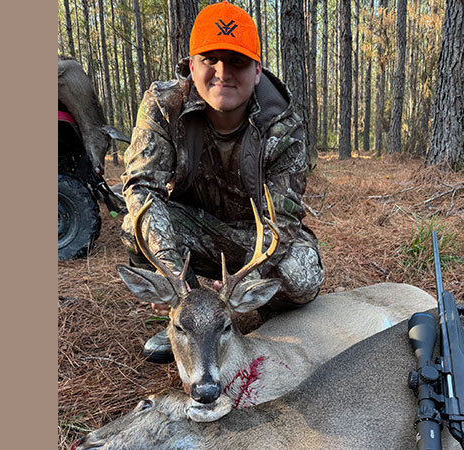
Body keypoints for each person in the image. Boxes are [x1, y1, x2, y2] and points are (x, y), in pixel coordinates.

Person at [119, 1, 324, 363]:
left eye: (237, 61)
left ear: (257, 71)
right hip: (192, 232)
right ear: (191, 65)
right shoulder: (164, 106)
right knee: (136, 227)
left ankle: (260, 316)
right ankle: (185, 323)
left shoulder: (283, 125)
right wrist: (173, 279)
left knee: (300, 276)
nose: (223, 72)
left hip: (251, 238)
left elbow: (283, 218)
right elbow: (142, 188)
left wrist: (248, 280)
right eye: (210, 59)